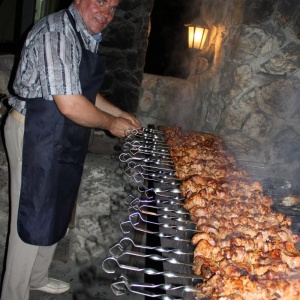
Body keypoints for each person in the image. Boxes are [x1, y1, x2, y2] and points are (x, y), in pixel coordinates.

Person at [0, 0, 141, 299]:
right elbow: (70, 103)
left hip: (60, 131)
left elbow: (83, 92)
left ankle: (37, 278)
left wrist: (120, 114)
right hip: (33, 131)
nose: (107, 12)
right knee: (31, 216)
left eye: (113, 7)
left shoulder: (82, 34)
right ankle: (13, 293)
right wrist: (112, 124)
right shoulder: (57, 32)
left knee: (57, 209)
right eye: (100, 1)